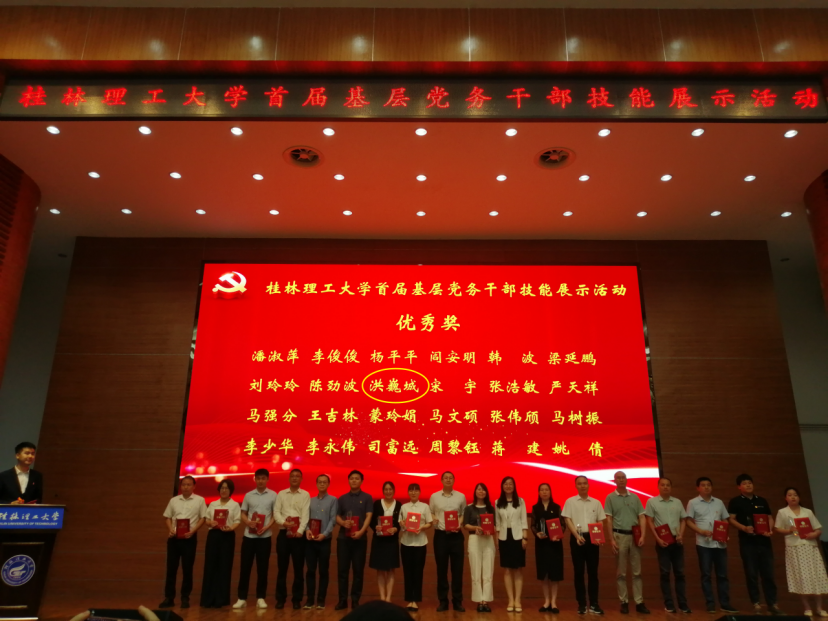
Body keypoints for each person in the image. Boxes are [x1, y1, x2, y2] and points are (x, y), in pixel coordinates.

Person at [727, 474, 782, 614]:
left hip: (764, 542)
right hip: (747, 543)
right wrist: (744, 528)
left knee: (768, 574)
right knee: (751, 574)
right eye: (744, 483)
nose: (748, 485)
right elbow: (731, 519)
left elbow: (769, 518)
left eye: (750, 483)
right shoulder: (735, 501)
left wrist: (769, 529)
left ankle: (773, 604)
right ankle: (756, 603)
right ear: (739, 487)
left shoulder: (762, 501)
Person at [686, 476, 738, 614]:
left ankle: (725, 603)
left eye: (708, 485)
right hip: (703, 544)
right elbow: (688, 521)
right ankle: (710, 603)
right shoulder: (693, 502)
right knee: (706, 575)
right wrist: (701, 531)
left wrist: (724, 534)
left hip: (720, 544)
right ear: (698, 488)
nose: (706, 487)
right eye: (703, 485)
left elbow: (725, 520)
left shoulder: (719, 502)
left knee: (722, 575)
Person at [773, 487, 828, 616]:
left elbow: (818, 529)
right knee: (800, 576)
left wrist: (814, 534)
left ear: (799, 497)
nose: (793, 497)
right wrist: (789, 530)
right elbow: (777, 528)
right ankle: (807, 607)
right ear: (785, 498)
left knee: (816, 575)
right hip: (794, 547)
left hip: (810, 546)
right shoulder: (783, 512)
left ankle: (819, 607)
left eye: (795, 495)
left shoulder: (807, 512)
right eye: (790, 495)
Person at [605, 471, 650, 614]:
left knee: (637, 572)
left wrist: (643, 535)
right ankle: (624, 602)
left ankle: (639, 602)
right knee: (621, 572)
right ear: (614, 480)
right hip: (619, 536)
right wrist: (611, 539)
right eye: (618, 478)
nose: (621, 480)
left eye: (623, 477)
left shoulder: (635, 497)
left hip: (635, 536)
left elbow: (642, 517)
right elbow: (609, 519)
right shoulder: (610, 497)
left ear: (626, 479)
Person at [644, 477, 690, 614]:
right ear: (658, 487)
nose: (665, 487)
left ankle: (682, 604)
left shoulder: (677, 502)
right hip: (662, 542)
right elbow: (650, 521)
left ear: (671, 487)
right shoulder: (651, 502)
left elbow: (683, 520)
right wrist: (657, 539)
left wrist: (681, 534)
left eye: (668, 485)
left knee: (680, 573)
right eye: (663, 485)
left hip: (677, 541)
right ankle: (669, 603)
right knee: (665, 573)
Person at [562, 475, 607, 615]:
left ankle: (594, 603)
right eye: (579, 483)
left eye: (585, 483)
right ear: (576, 486)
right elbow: (567, 519)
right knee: (579, 572)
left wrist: (598, 536)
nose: (582, 485)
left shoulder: (596, 502)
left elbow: (600, 521)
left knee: (593, 572)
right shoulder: (570, 501)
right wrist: (576, 535)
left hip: (593, 539)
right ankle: (581, 604)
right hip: (577, 538)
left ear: (588, 485)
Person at [233, 468, 277, 610]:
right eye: (258, 478)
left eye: (263, 478)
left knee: (262, 568)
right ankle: (241, 598)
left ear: (267, 479)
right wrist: (248, 522)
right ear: (255, 479)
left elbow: (275, 515)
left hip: (265, 537)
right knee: (245, 567)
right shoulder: (248, 495)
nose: (261, 481)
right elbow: (243, 513)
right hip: (249, 536)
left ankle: (261, 598)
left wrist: (267, 527)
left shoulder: (273, 495)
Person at [159, 475, 206, 609]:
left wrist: (193, 531)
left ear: (194, 486)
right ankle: (169, 598)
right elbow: (167, 517)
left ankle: (185, 598)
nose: (186, 487)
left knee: (187, 569)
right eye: (184, 484)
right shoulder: (174, 500)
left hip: (189, 539)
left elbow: (203, 518)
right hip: (174, 539)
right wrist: (170, 529)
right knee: (171, 569)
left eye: (189, 484)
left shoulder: (200, 500)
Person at [429, 471, 467, 612]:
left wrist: (459, 523)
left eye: (451, 478)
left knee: (457, 570)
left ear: (454, 480)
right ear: (441, 480)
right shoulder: (434, 496)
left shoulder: (461, 496)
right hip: (441, 536)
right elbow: (431, 512)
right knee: (441, 569)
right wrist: (433, 518)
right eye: (446, 478)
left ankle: (457, 601)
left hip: (456, 536)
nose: (448, 480)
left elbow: (463, 514)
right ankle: (443, 601)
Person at [200, 479, 241, 608]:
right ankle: (208, 599)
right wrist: (210, 523)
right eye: (222, 488)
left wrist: (231, 528)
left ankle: (221, 599)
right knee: (210, 565)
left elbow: (237, 521)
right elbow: (206, 520)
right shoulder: (213, 504)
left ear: (230, 490)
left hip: (227, 536)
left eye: (226, 488)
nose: (224, 490)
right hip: (213, 535)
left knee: (225, 566)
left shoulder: (234, 505)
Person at [335, 469, 373, 610]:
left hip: (360, 540)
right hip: (343, 539)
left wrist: (361, 532)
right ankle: (342, 600)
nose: (354, 480)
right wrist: (342, 523)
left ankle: (355, 600)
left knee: (358, 571)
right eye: (352, 478)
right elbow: (337, 516)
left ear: (361, 481)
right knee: (342, 571)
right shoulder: (342, 498)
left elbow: (369, 516)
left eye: (357, 478)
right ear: (348, 480)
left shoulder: (367, 497)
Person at [273, 468, 311, 609]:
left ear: (301, 479)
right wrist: (284, 522)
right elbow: (276, 511)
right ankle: (280, 599)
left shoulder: (305, 494)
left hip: (298, 537)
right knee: (282, 569)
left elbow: (306, 514)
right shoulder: (281, 494)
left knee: (298, 569)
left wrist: (300, 530)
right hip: (284, 534)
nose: (295, 478)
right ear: (289, 478)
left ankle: (297, 599)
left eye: (297, 476)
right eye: (292, 476)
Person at [304, 474, 338, 610]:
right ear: (316, 484)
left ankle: (321, 600)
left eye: (324, 482)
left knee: (323, 571)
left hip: (324, 540)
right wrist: (307, 529)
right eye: (320, 482)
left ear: (328, 484)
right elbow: (305, 518)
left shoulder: (333, 500)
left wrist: (324, 534)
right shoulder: (310, 500)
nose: (322, 484)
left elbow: (333, 519)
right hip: (310, 541)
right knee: (310, 570)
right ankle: (310, 600)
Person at [531, 482, 565, 613]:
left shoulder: (556, 507)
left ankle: (554, 602)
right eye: (542, 490)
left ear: (550, 492)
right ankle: (546, 601)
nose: (544, 492)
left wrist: (558, 535)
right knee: (543, 573)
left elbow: (562, 524)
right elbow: (532, 525)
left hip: (555, 544)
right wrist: (537, 534)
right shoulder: (535, 508)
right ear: (539, 493)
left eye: (547, 490)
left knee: (554, 574)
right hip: (541, 544)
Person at [496, 476, 529, 613]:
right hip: (504, 537)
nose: (508, 486)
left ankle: (517, 600)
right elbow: (497, 523)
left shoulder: (520, 501)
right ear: (502, 486)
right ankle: (510, 600)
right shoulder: (498, 502)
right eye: (506, 484)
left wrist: (525, 537)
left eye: (510, 484)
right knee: (507, 570)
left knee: (518, 569)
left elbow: (524, 520)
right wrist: (497, 540)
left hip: (517, 537)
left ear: (514, 486)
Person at [464, 483, 497, 612]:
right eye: (479, 489)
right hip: (474, 539)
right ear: (475, 492)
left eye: (483, 490)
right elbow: (465, 525)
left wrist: (490, 530)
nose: (481, 491)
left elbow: (494, 525)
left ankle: (486, 601)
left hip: (488, 540)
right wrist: (475, 528)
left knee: (488, 572)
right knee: (476, 571)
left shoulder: (490, 508)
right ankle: (479, 600)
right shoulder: (469, 508)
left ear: (486, 492)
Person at [400, 483, 433, 611]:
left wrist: (422, 527)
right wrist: (403, 524)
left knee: (418, 572)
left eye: (415, 490)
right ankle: (409, 599)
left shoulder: (425, 506)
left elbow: (429, 523)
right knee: (407, 572)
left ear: (419, 492)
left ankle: (416, 599)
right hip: (406, 543)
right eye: (411, 491)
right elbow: (401, 524)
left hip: (420, 543)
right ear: (408, 492)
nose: (413, 493)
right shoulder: (404, 507)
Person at [370, 481, 402, 602]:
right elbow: (371, 521)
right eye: (386, 489)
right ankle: (382, 597)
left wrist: (396, 529)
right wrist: (375, 527)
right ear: (383, 491)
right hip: (379, 541)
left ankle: (388, 598)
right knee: (380, 569)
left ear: (394, 490)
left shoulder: (399, 505)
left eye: (390, 489)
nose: (388, 491)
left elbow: (401, 522)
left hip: (392, 541)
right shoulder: (377, 504)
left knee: (391, 569)